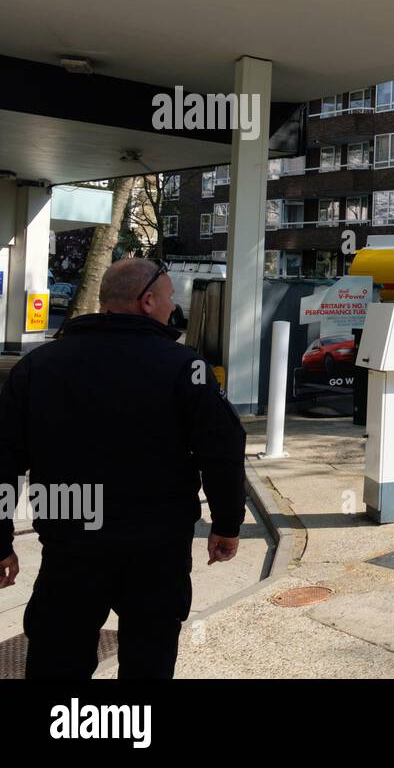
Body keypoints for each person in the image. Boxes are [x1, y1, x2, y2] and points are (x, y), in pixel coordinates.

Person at [0, 258, 246, 679]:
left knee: (57, 656)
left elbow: (3, 460)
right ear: (147, 301)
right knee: (149, 658)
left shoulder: (37, 367)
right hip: (157, 548)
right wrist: (227, 523)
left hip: (70, 544)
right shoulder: (186, 369)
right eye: (169, 298)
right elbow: (222, 451)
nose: (173, 308)